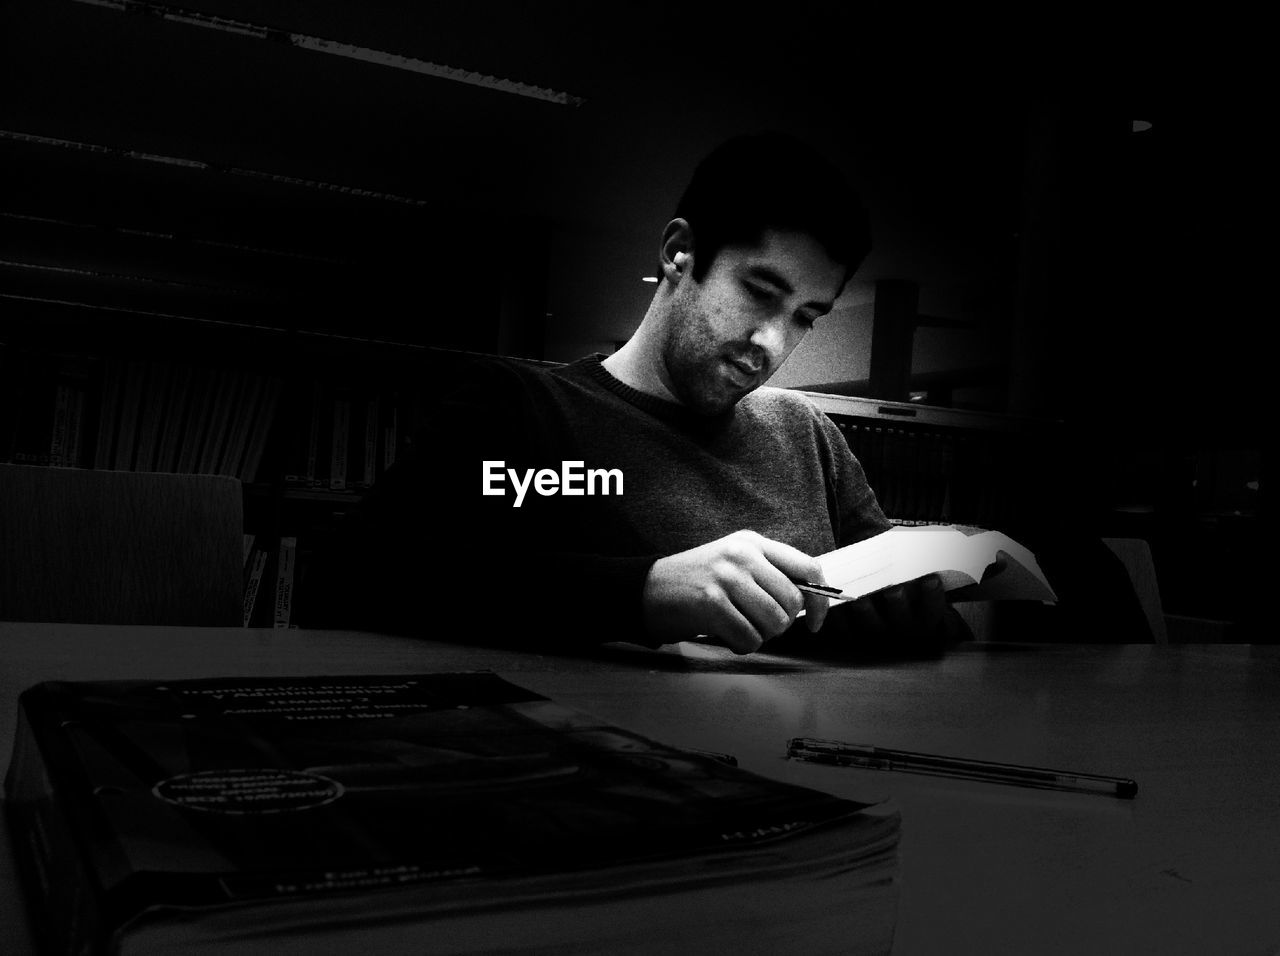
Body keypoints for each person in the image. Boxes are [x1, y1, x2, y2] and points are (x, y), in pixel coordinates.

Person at [301, 132, 966, 656]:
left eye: (803, 317)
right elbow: (354, 574)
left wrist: (920, 602)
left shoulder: (808, 437)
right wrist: (646, 592)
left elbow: (896, 602)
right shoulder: (530, 418)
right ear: (679, 253)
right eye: (760, 293)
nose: (771, 342)